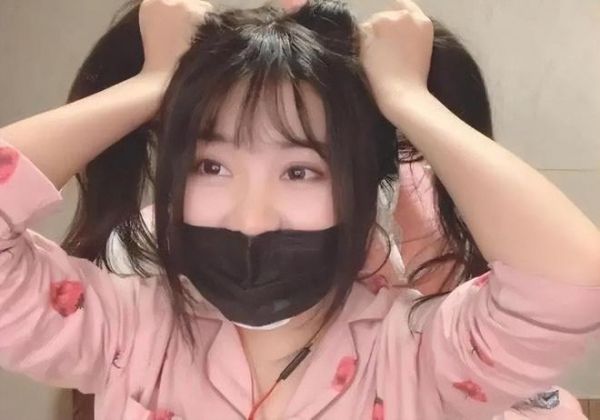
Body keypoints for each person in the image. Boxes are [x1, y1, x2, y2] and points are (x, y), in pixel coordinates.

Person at [0, 0, 598, 419]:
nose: (251, 218)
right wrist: (152, 85)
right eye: (211, 166)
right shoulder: (121, 331)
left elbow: (571, 280)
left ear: (362, 186)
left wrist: (407, 101)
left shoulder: (421, 357)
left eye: (300, 171)